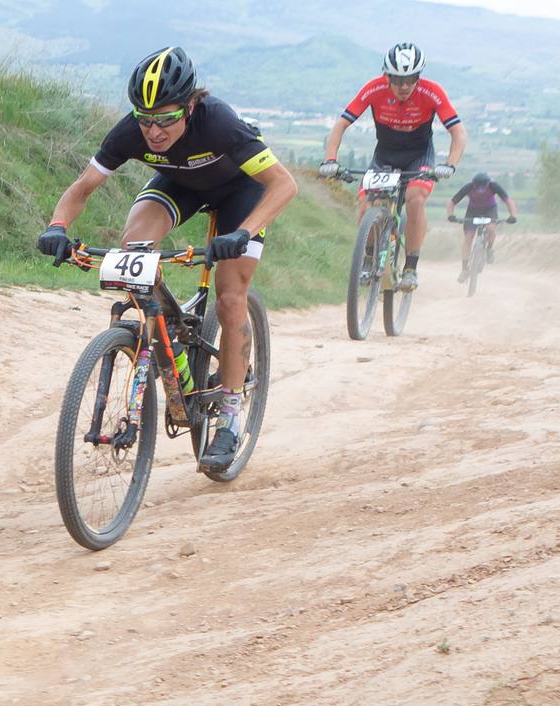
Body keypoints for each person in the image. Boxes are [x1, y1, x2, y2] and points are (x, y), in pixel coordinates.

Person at [37, 47, 297, 471]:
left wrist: (242, 233)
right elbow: (82, 187)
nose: (153, 131)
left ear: (191, 106)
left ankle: (230, 416)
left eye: (166, 119)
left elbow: (283, 185)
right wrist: (58, 226)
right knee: (135, 241)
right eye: (145, 118)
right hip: (183, 185)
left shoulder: (220, 122)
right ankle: (167, 320)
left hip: (240, 193)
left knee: (231, 297)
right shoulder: (130, 132)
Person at [319, 42, 467, 291]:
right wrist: (331, 160)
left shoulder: (432, 92)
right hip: (385, 154)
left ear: (418, 77)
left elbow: (458, 132)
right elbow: (341, 125)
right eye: (397, 80)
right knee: (367, 203)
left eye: (410, 79)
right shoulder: (374, 89)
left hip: (419, 155)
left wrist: (449, 164)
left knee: (415, 198)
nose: (404, 86)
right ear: (386, 75)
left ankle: (410, 267)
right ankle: (367, 259)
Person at [446, 172, 518, 281]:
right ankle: (464, 269)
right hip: (472, 211)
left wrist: (512, 215)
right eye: (477, 187)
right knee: (468, 238)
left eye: (483, 187)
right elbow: (452, 202)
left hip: (490, 210)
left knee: (491, 228)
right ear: (473, 185)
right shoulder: (468, 187)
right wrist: (450, 215)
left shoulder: (494, 186)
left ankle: (489, 249)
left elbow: (508, 201)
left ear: (488, 184)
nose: (480, 190)